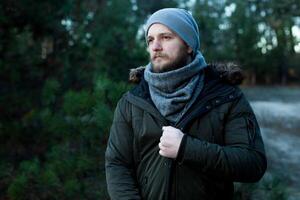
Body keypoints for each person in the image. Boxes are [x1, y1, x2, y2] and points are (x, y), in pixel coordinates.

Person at [105, 8, 267, 200]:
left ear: (189, 45)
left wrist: (186, 148)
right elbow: (117, 164)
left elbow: (252, 163)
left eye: (165, 37)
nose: (155, 46)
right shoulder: (132, 102)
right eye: (150, 39)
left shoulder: (226, 97)